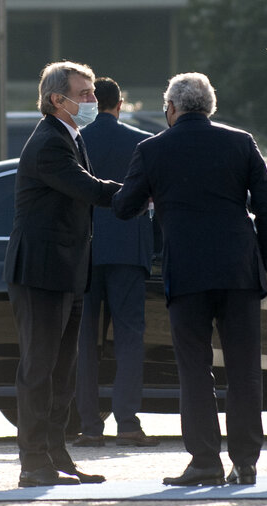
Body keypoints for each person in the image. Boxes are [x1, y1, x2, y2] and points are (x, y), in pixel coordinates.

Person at [113, 72, 267, 486]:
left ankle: (205, 461)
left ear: (171, 108)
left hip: (186, 272)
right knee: (244, 369)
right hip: (239, 270)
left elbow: (124, 207)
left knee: (194, 367)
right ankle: (246, 462)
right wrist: (260, 259)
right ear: (210, 107)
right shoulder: (241, 142)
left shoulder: (152, 149)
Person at [3, 61, 121, 488]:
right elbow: (88, 188)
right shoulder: (49, 143)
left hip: (67, 273)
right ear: (58, 99)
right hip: (40, 272)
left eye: (91, 93)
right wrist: (138, 194)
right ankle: (33, 463)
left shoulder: (69, 136)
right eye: (85, 94)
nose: (92, 100)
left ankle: (55, 455)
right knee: (39, 370)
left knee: (61, 371)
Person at [72, 77, 158, 448]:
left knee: (85, 342)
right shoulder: (139, 142)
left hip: (85, 252)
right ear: (120, 105)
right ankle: (127, 422)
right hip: (128, 248)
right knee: (129, 339)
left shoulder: (75, 141)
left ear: (91, 102)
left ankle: (89, 426)